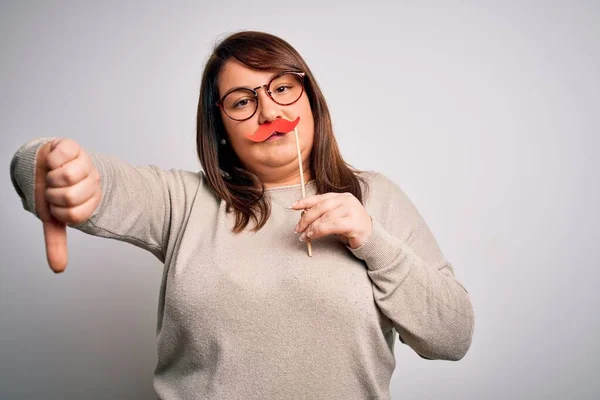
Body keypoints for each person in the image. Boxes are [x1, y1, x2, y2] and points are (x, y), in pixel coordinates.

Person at [10, 31, 474, 400]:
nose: (270, 109)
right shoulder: (184, 200)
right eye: (242, 101)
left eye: (283, 88)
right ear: (222, 128)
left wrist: (371, 239)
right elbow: (87, 178)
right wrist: (48, 165)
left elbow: (452, 336)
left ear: (310, 97)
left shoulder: (376, 198)